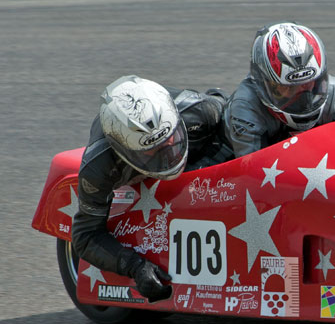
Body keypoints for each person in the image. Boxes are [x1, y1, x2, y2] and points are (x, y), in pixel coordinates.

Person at [72, 75, 231, 303]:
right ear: (124, 151)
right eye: (153, 151)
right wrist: (136, 267)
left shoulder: (201, 113)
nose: (169, 153)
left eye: (171, 140)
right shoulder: (98, 168)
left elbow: (235, 110)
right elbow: (84, 236)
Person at [223, 22, 335, 157]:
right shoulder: (247, 105)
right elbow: (251, 173)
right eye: (289, 87)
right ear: (264, 83)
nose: (304, 98)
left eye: (309, 84)